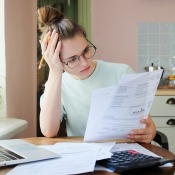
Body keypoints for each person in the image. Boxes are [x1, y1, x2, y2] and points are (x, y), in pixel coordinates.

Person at [38, 5, 156, 143]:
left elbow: (146, 123)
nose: (84, 62)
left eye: (85, 51)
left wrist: (150, 131)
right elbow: (48, 131)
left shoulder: (122, 73)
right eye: (72, 59)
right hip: (87, 155)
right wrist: (54, 71)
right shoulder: (57, 84)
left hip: (126, 151)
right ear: (56, 60)